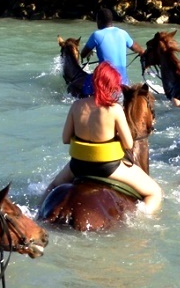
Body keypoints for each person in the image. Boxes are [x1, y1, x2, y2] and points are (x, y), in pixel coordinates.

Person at [45, 63, 163, 213]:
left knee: (52, 187)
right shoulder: (115, 109)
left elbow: (65, 139)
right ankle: (139, 222)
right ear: (112, 85)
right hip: (107, 168)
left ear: (94, 82)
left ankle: (35, 215)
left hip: (78, 166)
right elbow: (128, 144)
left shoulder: (76, 105)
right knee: (155, 192)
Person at [80, 8, 145, 94]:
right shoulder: (123, 33)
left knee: (80, 83)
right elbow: (137, 49)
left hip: (107, 83)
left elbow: (83, 54)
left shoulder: (96, 35)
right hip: (124, 83)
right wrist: (142, 52)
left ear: (99, 21)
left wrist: (89, 52)